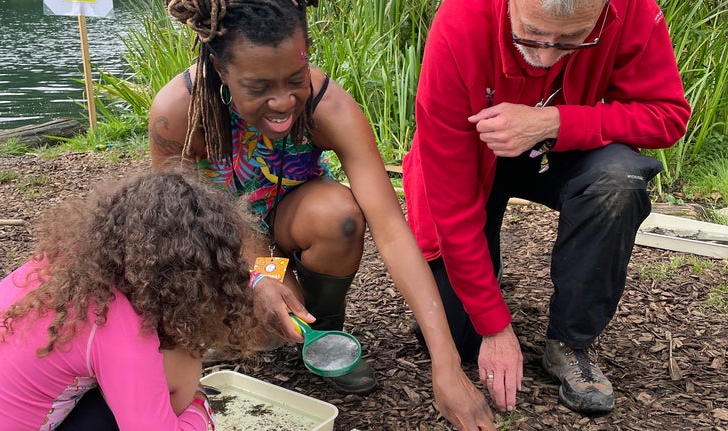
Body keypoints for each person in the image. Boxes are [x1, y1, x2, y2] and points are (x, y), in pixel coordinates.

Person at [149, 0, 497, 428]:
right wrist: (257, 275)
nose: (282, 103)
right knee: (259, 332)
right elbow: (174, 229)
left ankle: (326, 332)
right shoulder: (178, 114)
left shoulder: (327, 107)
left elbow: (391, 229)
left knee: (340, 214)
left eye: (296, 79)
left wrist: (447, 363)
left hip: (292, 220)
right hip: (224, 240)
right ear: (221, 72)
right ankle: (259, 319)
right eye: (258, 88)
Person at [403, 0, 691, 415]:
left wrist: (555, 122)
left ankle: (570, 342)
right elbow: (450, 202)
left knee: (619, 180)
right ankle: (486, 278)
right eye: (530, 36)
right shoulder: (461, 19)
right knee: (458, 336)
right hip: (472, 155)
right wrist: (494, 325)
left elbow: (667, 116)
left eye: (574, 40)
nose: (546, 57)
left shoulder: (634, 9)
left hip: (563, 150)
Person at [0, 171, 258, 430]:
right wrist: (199, 404)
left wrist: (256, 280)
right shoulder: (121, 328)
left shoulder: (66, 264)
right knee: (181, 355)